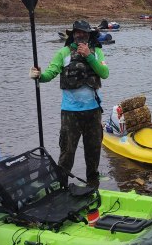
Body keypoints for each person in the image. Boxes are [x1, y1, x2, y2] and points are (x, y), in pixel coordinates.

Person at [29, 20, 109, 187]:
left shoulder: (97, 53)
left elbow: (104, 73)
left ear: (89, 35)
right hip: (70, 113)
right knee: (67, 153)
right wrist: (39, 75)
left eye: (84, 33)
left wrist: (88, 55)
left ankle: (93, 186)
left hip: (93, 112)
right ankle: (62, 186)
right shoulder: (63, 53)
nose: (80, 35)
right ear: (73, 35)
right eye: (77, 32)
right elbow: (49, 74)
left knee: (93, 152)